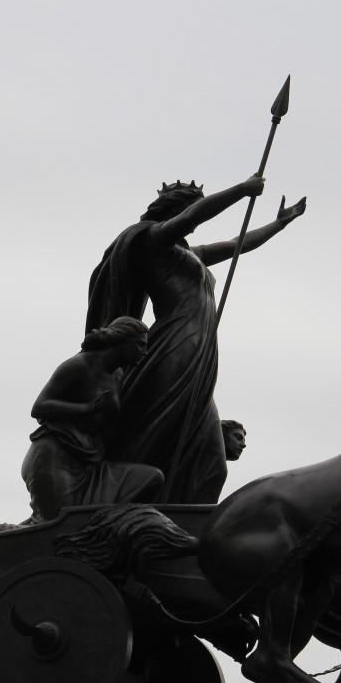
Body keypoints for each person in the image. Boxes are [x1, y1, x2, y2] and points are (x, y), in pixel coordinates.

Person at [87, 176, 306, 503]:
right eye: (189, 209)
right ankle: (122, 505)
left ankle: (190, 525)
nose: (192, 223)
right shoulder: (153, 239)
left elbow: (237, 245)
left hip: (200, 350)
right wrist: (241, 190)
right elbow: (193, 218)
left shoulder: (186, 252)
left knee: (212, 461)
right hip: (176, 344)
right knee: (157, 429)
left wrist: (278, 224)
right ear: (176, 209)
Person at [19, 316, 164, 522]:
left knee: (151, 478)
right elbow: (39, 407)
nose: (145, 352)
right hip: (54, 458)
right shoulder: (79, 365)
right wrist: (85, 408)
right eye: (140, 345)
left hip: (89, 461)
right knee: (58, 526)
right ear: (121, 341)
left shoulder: (118, 375)